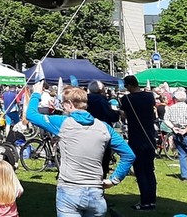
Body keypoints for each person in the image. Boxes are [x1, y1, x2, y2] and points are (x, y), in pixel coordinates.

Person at [25, 82, 134, 217]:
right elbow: (129, 155)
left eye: (63, 104)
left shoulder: (62, 123)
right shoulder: (104, 127)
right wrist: (114, 180)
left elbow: (31, 114)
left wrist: (36, 94)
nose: (62, 108)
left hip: (69, 191)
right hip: (96, 192)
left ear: (70, 104)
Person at [118, 75, 157, 211]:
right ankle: (152, 201)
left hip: (136, 137)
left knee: (140, 171)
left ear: (128, 86)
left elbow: (124, 115)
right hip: (150, 136)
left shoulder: (126, 99)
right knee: (149, 170)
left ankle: (145, 202)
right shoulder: (149, 96)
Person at [164, 90, 187, 182]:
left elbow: (166, 120)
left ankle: (184, 175)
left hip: (177, 133)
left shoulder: (171, 108)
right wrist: (185, 130)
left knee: (182, 154)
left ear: (175, 99)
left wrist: (173, 127)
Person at [86, 81, 120, 175]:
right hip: (102, 132)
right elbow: (112, 116)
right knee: (103, 161)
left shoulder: (85, 100)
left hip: (87, 132)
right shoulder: (102, 101)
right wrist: (117, 113)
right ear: (101, 90)